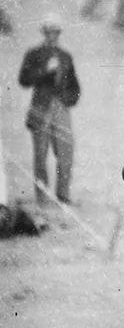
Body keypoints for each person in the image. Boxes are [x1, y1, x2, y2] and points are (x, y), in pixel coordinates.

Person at [18, 15, 80, 204]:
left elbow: (75, 87)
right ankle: (42, 197)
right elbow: (24, 80)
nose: (52, 35)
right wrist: (45, 71)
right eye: (49, 31)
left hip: (60, 109)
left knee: (66, 152)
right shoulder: (34, 54)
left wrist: (67, 100)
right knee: (40, 155)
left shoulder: (65, 56)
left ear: (59, 34)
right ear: (44, 32)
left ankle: (63, 194)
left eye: (56, 32)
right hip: (40, 108)